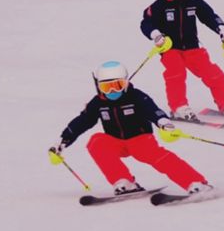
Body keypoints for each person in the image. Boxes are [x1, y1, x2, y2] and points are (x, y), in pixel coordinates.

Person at [49, 61, 208, 195]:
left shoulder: (136, 96)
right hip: (115, 141)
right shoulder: (98, 103)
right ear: (98, 86)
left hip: (141, 140)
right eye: (107, 87)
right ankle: (124, 182)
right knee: (96, 142)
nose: (112, 91)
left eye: (118, 85)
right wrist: (62, 142)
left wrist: (164, 123)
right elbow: (82, 121)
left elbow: (153, 110)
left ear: (126, 82)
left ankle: (195, 182)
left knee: (159, 158)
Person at [140, 0, 224, 121]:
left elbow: (210, 16)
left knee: (212, 73)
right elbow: (146, 23)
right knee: (176, 73)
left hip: (192, 47)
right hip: (170, 48)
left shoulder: (194, 2)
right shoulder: (159, 5)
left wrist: (222, 30)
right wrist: (156, 35)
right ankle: (179, 108)